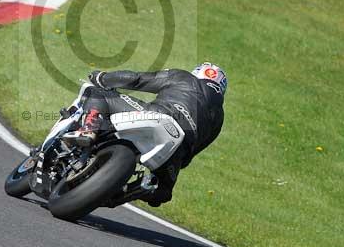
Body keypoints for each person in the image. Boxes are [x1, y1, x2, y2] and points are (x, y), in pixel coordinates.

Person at [65, 63, 226, 207]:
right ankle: (132, 190)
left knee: (97, 93)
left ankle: (89, 129)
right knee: (162, 193)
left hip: (158, 116)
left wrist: (103, 78)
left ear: (197, 73)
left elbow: (137, 79)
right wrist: (175, 162)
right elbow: (191, 155)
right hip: (177, 149)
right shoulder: (219, 118)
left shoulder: (184, 77)